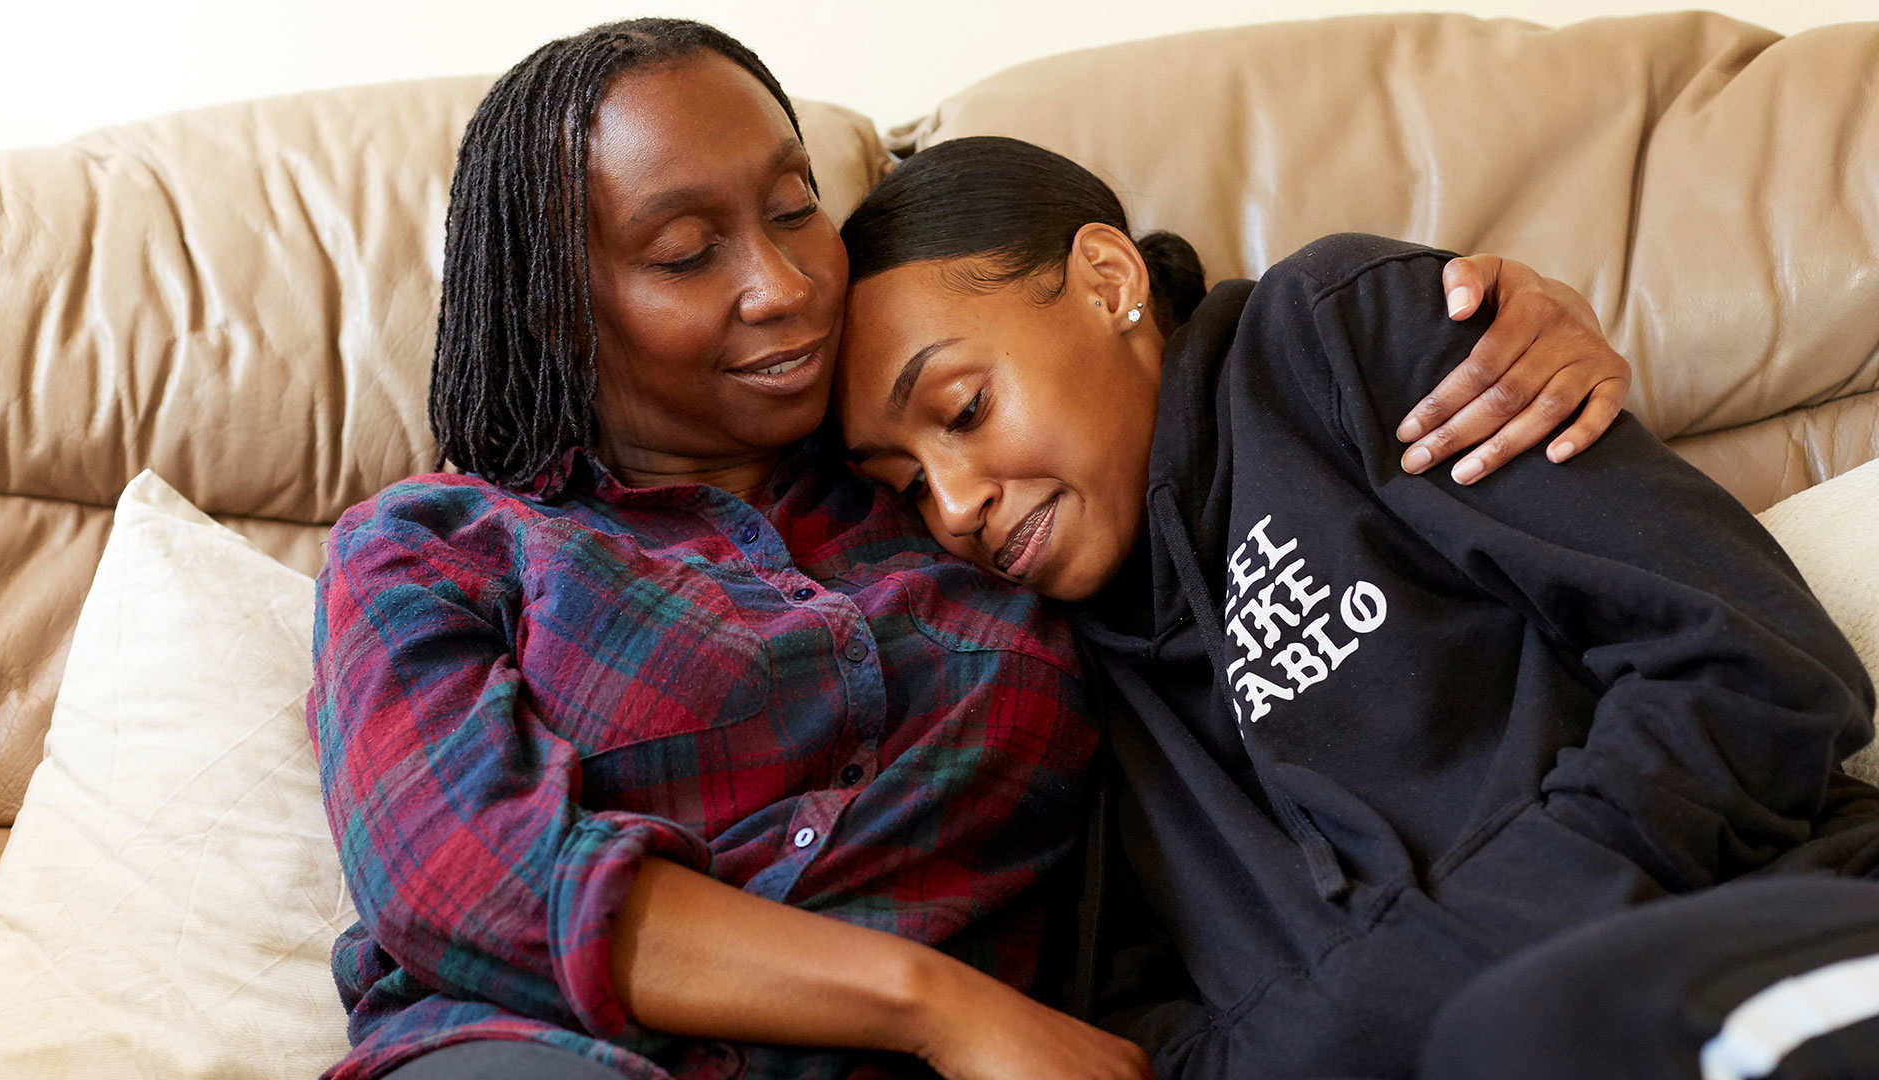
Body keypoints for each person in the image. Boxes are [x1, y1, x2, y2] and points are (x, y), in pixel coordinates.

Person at [307, 20, 1637, 1080]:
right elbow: (460, 878)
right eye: (686, 250)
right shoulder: (441, 542)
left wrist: (1476, 316)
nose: (779, 285)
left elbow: (1194, 389)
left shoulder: (960, 489)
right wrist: (938, 1007)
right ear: (557, 297)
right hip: (549, 1055)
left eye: (790, 209)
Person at [833, 135, 1879, 1080]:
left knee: (1527, 1030)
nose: (956, 504)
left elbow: (1760, 673)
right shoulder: (1037, 672)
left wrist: (1407, 997)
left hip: (1760, 941)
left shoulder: (1335, 339)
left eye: (963, 410)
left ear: (1108, 281)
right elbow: (1127, 1033)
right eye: (907, 486)